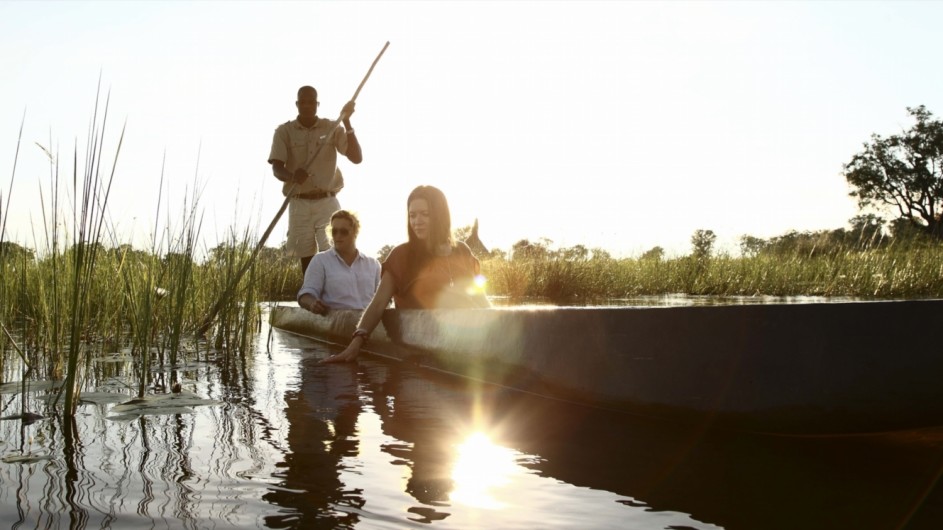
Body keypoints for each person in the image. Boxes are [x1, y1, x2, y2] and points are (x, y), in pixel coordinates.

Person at [321, 185, 489, 364]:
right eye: (412, 215)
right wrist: (355, 344)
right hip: (419, 351)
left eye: (425, 214)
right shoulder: (401, 256)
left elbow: (481, 300)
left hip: (462, 343)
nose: (417, 221)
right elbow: (378, 304)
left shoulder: (462, 251)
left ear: (440, 215)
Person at [269, 85, 364, 274]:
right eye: (302, 102)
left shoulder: (332, 127)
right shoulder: (284, 131)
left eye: (311, 102)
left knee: (335, 249)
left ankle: (337, 297)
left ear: (317, 104)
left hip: (327, 201)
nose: (307, 105)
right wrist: (292, 176)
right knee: (306, 257)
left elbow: (356, 158)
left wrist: (347, 122)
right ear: (297, 104)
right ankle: (312, 298)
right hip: (299, 202)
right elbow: (277, 168)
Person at [297, 210, 381, 315]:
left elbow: (384, 300)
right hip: (335, 323)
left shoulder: (374, 264)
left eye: (343, 232)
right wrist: (312, 303)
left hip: (368, 325)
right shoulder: (320, 261)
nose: (338, 236)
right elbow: (305, 295)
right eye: (334, 231)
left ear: (355, 232)